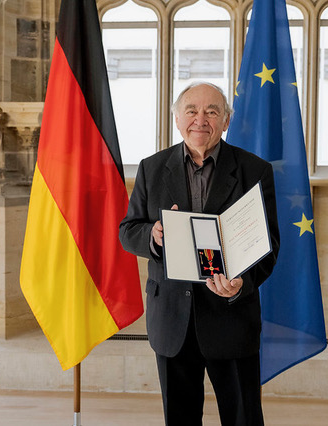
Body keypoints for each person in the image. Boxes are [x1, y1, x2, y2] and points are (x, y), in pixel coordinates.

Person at [119, 82, 280, 426]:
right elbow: (128, 230)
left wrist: (242, 285)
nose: (200, 119)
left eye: (212, 111)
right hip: (172, 321)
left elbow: (269, 246)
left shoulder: (254, 171)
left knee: (243, 419)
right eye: (191, 110)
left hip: (232, 319)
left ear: (225, 122)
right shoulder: (151, 168)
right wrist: (153, 235)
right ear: (177, 118)